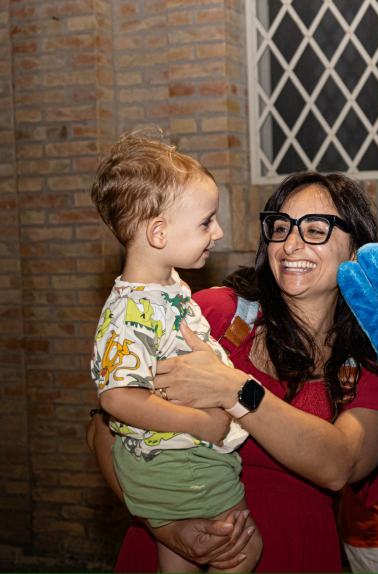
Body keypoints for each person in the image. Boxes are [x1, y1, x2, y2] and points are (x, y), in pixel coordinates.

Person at [90, 171, 378, 572]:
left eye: (316, 229)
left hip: (295, 554)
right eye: (281, 227)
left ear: (356, 249)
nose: (291, 244)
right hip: (172, 546)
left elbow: (341, 465)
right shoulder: (210, 314)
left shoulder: (370, 361)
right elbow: (105, 427)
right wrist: (165, 528)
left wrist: (235, 389)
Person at [89, 133, 262, 573]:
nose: (218, 232)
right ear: (159, 232)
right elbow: (117, 397)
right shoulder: (130, 309)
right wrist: (203, 421)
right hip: (180, 461)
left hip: (180, 458)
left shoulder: (167, 287)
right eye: (206, 222)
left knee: (184, 558)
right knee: (242, 549)